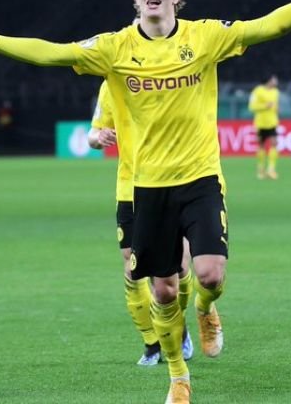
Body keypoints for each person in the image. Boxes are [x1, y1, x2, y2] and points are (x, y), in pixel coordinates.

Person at [0, 0, 291, 402]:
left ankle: (206, 308)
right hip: (147, 187)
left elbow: (267, 27)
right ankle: (178, 377)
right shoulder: (114, 47)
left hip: (200, 177)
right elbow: (52, 53)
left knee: (210, 275)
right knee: (163, 289)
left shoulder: (205, 36)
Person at [88, 80, 194, 366]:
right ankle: (151, 343)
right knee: (132, 268)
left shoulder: (164, 75)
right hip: (130, 188)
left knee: (178, 268)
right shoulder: (110, 84)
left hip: (170, 182)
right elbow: (92, 135)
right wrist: (99, 137)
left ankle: (179, 326)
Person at [248, 74, 281, 179]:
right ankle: (261, 169)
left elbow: (275, 105)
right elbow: (251, 107)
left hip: (272, 122)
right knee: (261, 146)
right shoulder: (257, 91)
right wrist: (265, 106)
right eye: (274, 79)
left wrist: (276, 109)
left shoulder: (276, 92)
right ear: (269, 80)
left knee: (274, 143)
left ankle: (271, 169)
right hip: (261, 123)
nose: (276, 81)